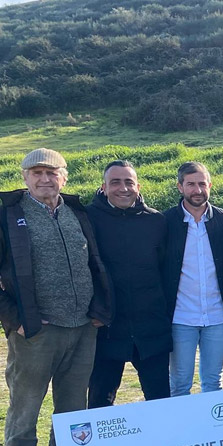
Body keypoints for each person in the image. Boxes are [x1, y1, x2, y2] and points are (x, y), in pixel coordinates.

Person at [0, 148, 112, 446]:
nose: (44, 179)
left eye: (52, 172)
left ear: (64, 177)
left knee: (72, 415)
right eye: (36, 172)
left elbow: (95, 264)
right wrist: (16, 319)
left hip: (82, 329)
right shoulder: (5, 217)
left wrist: (99, 311)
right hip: (35, 334)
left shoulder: (77, 213)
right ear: (25, 177)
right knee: (25, 413)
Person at [86, 160, 172, 406]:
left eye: (129, 182)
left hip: (151, 326)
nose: (123, 188)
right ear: (104, 187)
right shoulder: (87, 218)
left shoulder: (156, 221)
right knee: (100, 402)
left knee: (160, 401)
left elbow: (166, 270)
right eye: (115, 182)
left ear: (138, 186)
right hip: (105, 328)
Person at [166, 161, 223, 396]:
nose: (197, 190)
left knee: (214, 383)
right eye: (191, 184)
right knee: (180, 384)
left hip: (217, 317)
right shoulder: (166, 222)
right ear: (180, 187)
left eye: (202, 184)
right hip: (180, 318)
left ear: (210, 186)